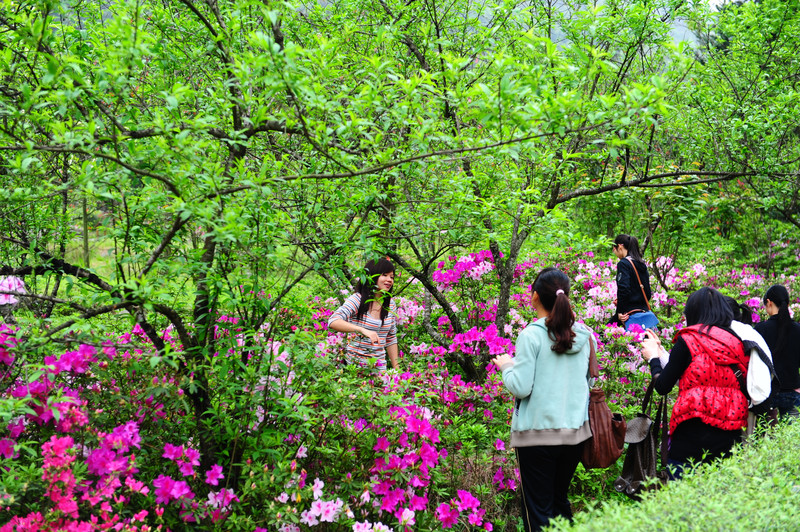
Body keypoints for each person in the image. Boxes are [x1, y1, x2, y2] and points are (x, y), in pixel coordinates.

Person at [492, 267, 593, 532]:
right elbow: (589, 382)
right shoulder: (586, 335)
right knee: (559, 503)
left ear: (534, 296)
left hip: (537, 437)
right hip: (573, 435)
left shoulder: (531, 335)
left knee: (538, 511)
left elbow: (521, 387)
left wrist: (506, 366)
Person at [640, 287, 749, 479]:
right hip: (729, 435)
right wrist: (660, 351)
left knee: (684, 499)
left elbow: (663, 386)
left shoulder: (688, 339)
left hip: (690, 437)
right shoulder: (737, 342)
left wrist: (653, 359)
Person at [328, 257, 399, 371]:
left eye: (392, 277)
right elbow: (333, 321)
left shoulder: (390, 304)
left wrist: (397, 370)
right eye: (384, 275)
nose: (389, 280)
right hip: (355, 370)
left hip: (379, 370)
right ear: (372, 276)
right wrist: (361, 329)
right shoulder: (358, 299)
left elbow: (391, 339)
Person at [754, 285, 800, 418]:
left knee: (766, 435)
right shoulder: (797, 329)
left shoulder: (761, 329)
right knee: (791, 436)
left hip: (768, 393)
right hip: (793, 392)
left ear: (769, 302)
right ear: (788, 303)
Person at [610, 234, 653, 330]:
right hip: (644, 313)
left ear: (620, 246)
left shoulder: (623, 264)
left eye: (614, 249)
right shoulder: (641, 264)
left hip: (629, 315)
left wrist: (619, 313)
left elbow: (624, 289)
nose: (614, 252)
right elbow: (647, 293)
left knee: (604, 335)